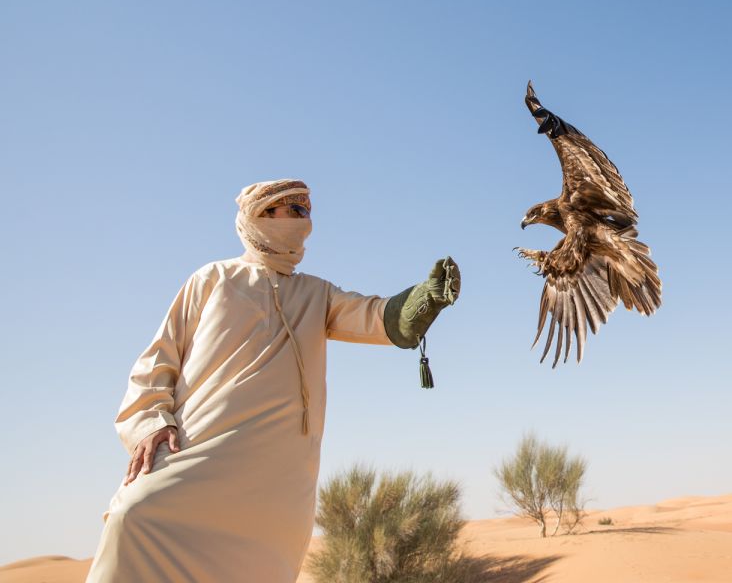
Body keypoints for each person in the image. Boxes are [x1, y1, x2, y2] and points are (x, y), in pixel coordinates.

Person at [85, 179, 460, 582]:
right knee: (133, 516)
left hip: (278, 473)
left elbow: (377, 317)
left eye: (307, 212)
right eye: (294, 211)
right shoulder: (213, 278)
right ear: (260, 215)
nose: (304, 222)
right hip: (199, 449)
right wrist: (150, 421)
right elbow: (159, 358)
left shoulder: (317, 294)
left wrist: (425, 297)